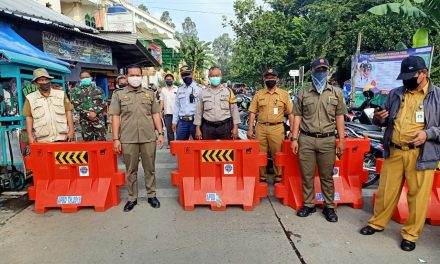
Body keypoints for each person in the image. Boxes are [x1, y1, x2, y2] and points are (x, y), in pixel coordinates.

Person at [360, 56, 440, 251]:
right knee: (386, 192)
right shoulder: (395, 93)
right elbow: (383, 122)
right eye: (404, 77)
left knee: (418, 197)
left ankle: (410, 235)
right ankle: (376, 223)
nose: (407, 80)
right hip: (394, 151)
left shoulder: (437, 96)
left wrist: (427, 134)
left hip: (420, 154)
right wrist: (379, 119)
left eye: (411, 76)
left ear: (424, 74)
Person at [290, 58, 347, 223]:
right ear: (312, 71)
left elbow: (340, 117)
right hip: (306, 139)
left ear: (328, 71)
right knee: (307, 175)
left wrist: (341, 140)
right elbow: (297, 116)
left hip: (328, 140)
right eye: (318, 70)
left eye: (324, 69)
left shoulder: (336, 92)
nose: (321, 73)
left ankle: (329, 206)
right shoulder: (303, 92)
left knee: (327, 176)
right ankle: (309, 204)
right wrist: (294, 138)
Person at [109, 66, 165, 212]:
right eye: (132, 75)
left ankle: (151, 195)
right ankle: (132, 198)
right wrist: (115, 138)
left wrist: (160, 133)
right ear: (126, 77)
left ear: (142, 76)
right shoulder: (118, 95)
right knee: (131, 170)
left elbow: (155, 115)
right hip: (128, 138)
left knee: (150, 168)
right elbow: (115, 117)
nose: (135, 77)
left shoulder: (149, 94)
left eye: (137, 75)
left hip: (148, 137)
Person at [247, 68, 294, 183]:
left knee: (277, 153)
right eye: (268, 78)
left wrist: (292, 130)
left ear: (277, 80)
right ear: (264, 79)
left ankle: (278, 177)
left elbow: (291, 114)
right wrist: (250, 129)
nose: (270, 80)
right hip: (261, 127)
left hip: (277, 128)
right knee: (260, 154)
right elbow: (252, 112)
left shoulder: (284, 94)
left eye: (273, 78)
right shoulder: (259, 94)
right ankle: (262, 177)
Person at [23, 68, 74, 143]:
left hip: (63, 137)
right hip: (43, 140)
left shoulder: (61, 94)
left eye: (46, 80)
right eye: (41, 80)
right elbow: (29, 118)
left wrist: (71, 130)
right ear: (36, 83)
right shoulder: (30, 98)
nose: (45, 82)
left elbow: (68, 112)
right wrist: (30, 136)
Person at [194, 67, 240, 140]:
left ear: (221, 77)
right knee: (207, 150)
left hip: (225, 127)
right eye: (213, 76)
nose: (215, 77)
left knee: (226, 149)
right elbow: (198, 112)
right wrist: (197, 128)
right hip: (208, 128)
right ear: (209, 77)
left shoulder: (228, 92)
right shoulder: (203, 93)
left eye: (217, 75)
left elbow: (234, 111)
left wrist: (235, 127)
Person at [70, 71, 106, 141]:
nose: (85, 79)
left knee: (101, 141)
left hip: (98, 119)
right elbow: (75, 104)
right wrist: (89, 114)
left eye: (87, 77)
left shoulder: (98, 90)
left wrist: (95, 113)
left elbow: (103, 102)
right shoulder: (75, 91)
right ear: (80, 79)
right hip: (85, 121)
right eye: (83, 77)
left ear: (91, 78)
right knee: (88, 142)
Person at [172, 65, 202, 140]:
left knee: (198, 145)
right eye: (183, 75)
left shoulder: (199, 89)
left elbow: (202, 107)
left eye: (187, 74)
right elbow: (177, 106)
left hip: (194, 122)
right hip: (182, 122)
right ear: (181, 76)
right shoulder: (180, 89)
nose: (186, 77)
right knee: (180, 146)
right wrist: (174, 121)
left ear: (192, 74)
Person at [159, 73, 178, 147]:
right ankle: (172, 144)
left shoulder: (177, 89)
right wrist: (160, 111)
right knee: (169, 131)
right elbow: (161, 102)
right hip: (168, 114)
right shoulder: (163, 90)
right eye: (167, 80)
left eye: (170, 79)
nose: (169, 81)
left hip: (177, 114)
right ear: (165, 80)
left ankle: (179, 144)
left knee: (178, 130)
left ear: (173, 80)